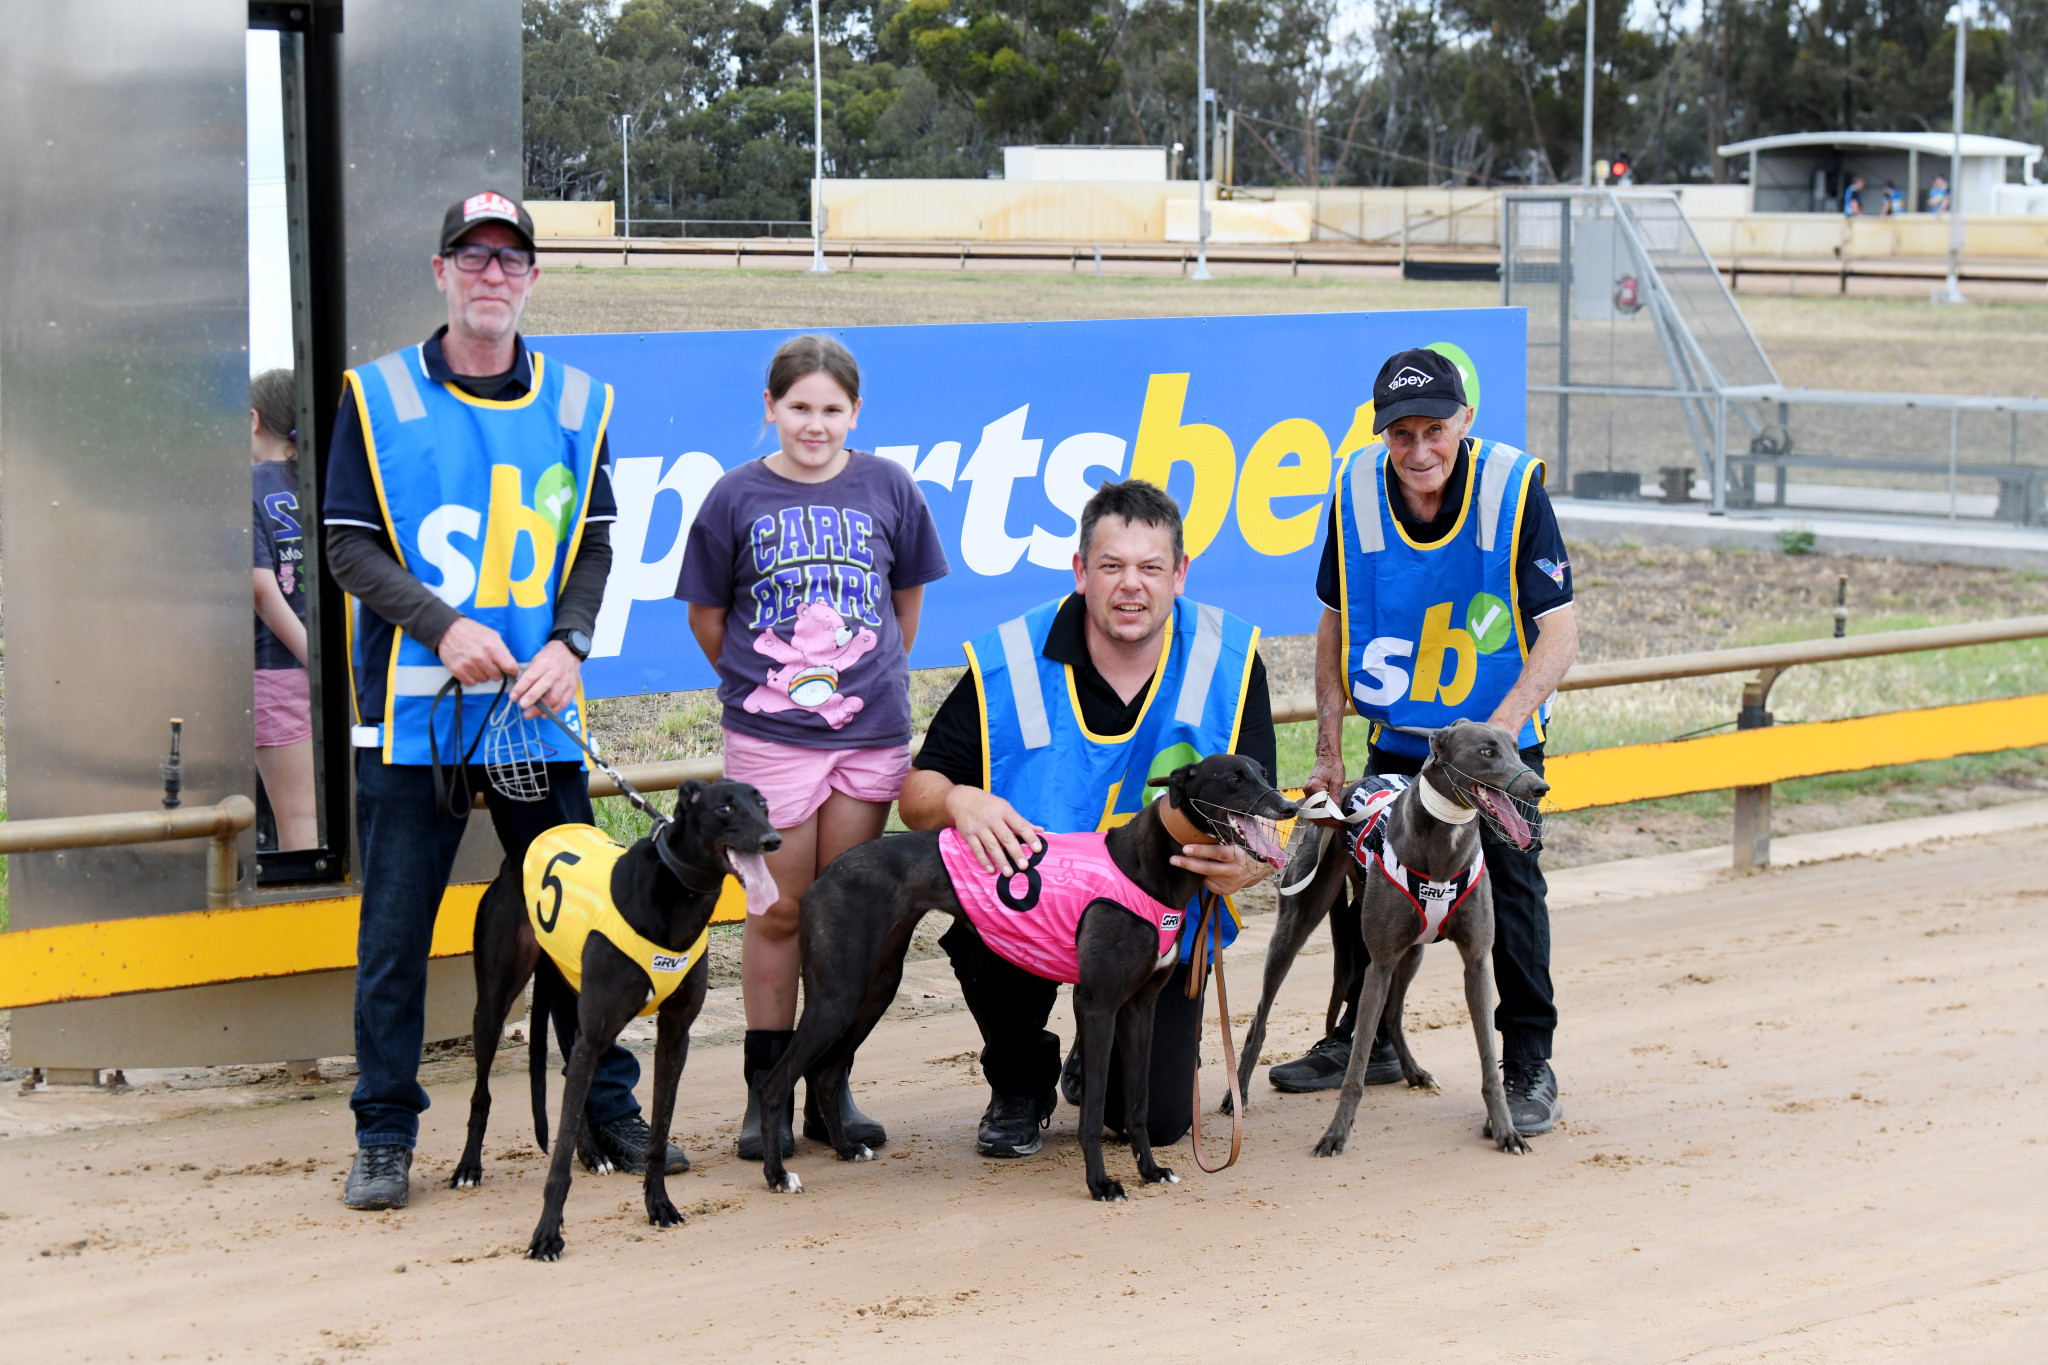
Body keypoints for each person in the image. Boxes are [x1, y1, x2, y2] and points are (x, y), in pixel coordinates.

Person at [324, 191, 678, 1211]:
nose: (490, 275)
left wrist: (570, 642)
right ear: (441, 273)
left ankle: (605, 1105)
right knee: (396, 931)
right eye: (470, 258)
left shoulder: (576, 403)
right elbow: (347, 545)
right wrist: (440, 625)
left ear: (530, 277)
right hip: (415, 716)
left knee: (580, 915)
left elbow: (599, 542)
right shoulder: (377, 394)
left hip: (535, 710)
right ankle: (385, 1132)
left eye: (509, 259)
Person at [901, 478, 1277, 1158]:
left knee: (1158, 1122)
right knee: (978, 899)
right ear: (1081, 571)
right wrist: (962, 799)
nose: (1130, 586)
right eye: (1111, 565)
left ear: (1180, 573)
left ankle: (1092, 1053)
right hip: (1034, 904)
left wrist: (1247, 863)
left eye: (1150, 567)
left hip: (1151, 925)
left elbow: (1262, 815)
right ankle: (1020, 1081)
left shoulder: (1227, 657)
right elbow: (917, 790)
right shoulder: (1013, 657)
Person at [1272, 347, 1578, 1139]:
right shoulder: (1354, 492)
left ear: (1464, 422)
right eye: (1401, 433)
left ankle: (1528, 1060)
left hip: (1495, 735)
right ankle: (1361, 1038)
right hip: (1405, 736)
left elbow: (1560, 632)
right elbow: (1335, 624)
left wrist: (1500, 741)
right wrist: (1331, 755)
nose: (1418, 450)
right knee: (1361, 876)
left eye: (1434, 429)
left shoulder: (1514, 489)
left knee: (1508, 881)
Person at [675, 335, 950, 1160]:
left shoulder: (889, 487)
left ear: (855, 413)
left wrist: (864, 684)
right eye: (799, 407)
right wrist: (766, 689)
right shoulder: (735, 496)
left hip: (867, 737)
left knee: (847, 916)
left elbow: (905, 604)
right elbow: (708, 618)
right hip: (772, 739)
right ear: (770, 407)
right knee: (781, 910)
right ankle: (768, 1096)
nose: (815, 424)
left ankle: (829, 1085)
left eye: (832, 409)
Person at [250, 368, 317, 852]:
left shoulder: (249, 487)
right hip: (351, 678)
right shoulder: (326, 481)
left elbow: (262, 591)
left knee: (297, 821)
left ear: (253, 421)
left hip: (277, 671)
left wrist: (312, 659)